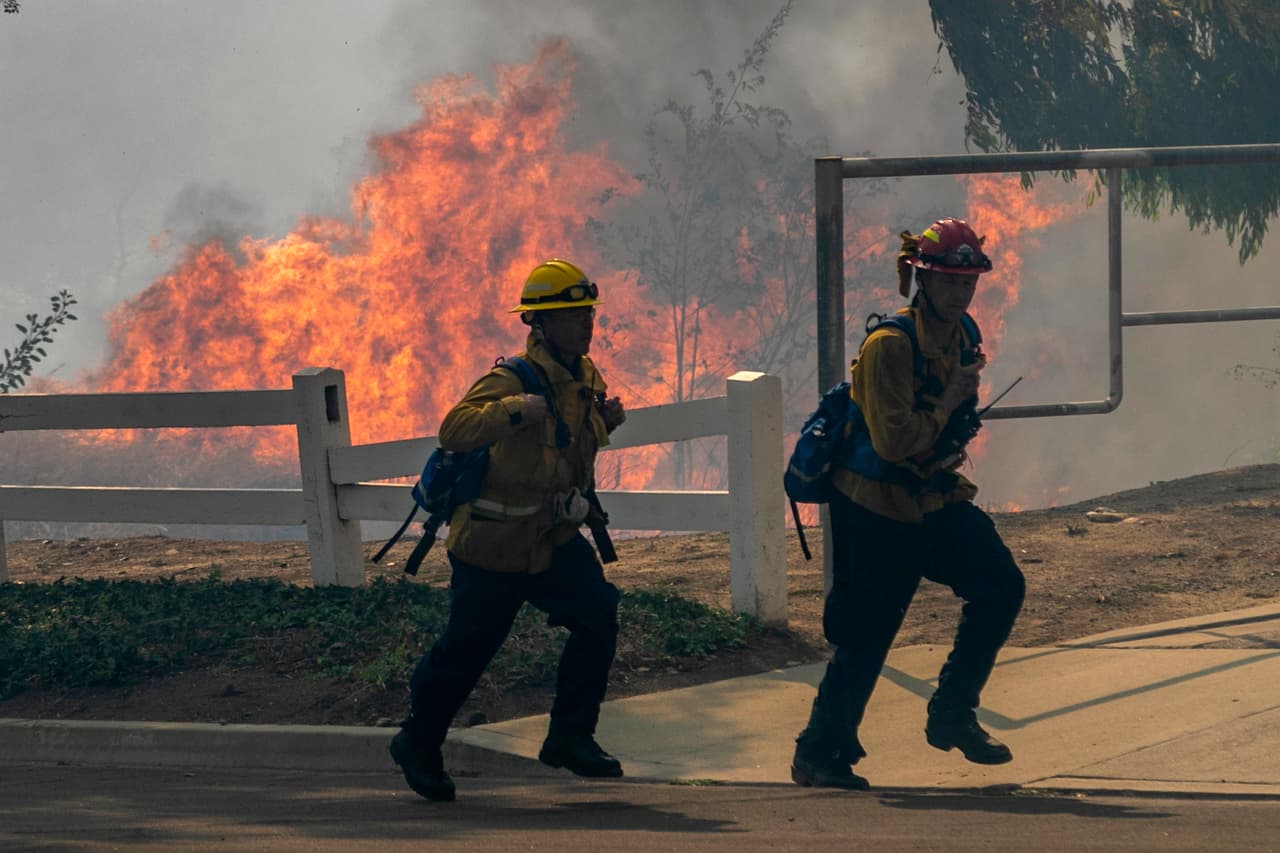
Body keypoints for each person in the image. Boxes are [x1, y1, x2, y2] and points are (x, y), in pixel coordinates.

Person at [791, 218, 1026, 791]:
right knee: (868, 633)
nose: (959, 292)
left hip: (933, 498)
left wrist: (956, 411)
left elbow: (943, 428)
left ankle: (952, 713)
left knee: (1000, 584)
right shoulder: (888, 348)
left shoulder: (963, 334)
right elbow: (894, 441)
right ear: (920, 277)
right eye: (947, 279)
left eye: (967, 281)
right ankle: (820, 755)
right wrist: (948, 400)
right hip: (873, 507)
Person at [389, 258, 628, 802]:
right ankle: (417, 742)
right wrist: (515, 411)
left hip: (550, 540)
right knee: (468, 650)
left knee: (597, 613)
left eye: (588, 313)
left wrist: (602, 423)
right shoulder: (510, 379)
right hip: (492, 546)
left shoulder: (585, 378)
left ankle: (570, 737)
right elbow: (454, 429)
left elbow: (568, 449)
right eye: (574, 315)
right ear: (540, 325)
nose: (587, 324)